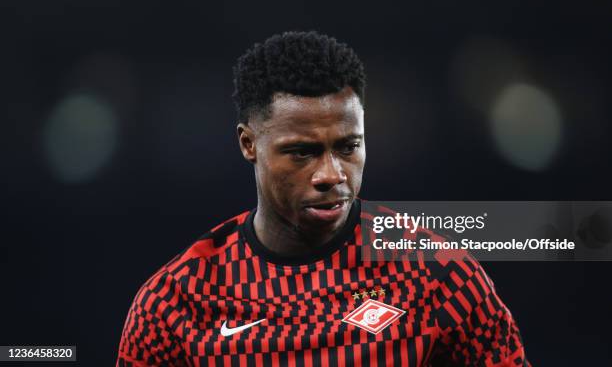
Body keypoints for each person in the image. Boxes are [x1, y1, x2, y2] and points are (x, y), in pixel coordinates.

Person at [117, 31, 529, 366]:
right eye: (302, 152)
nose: (332, 175)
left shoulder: (437, 276)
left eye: (348, 147)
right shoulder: (176, 304)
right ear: (249, 144)